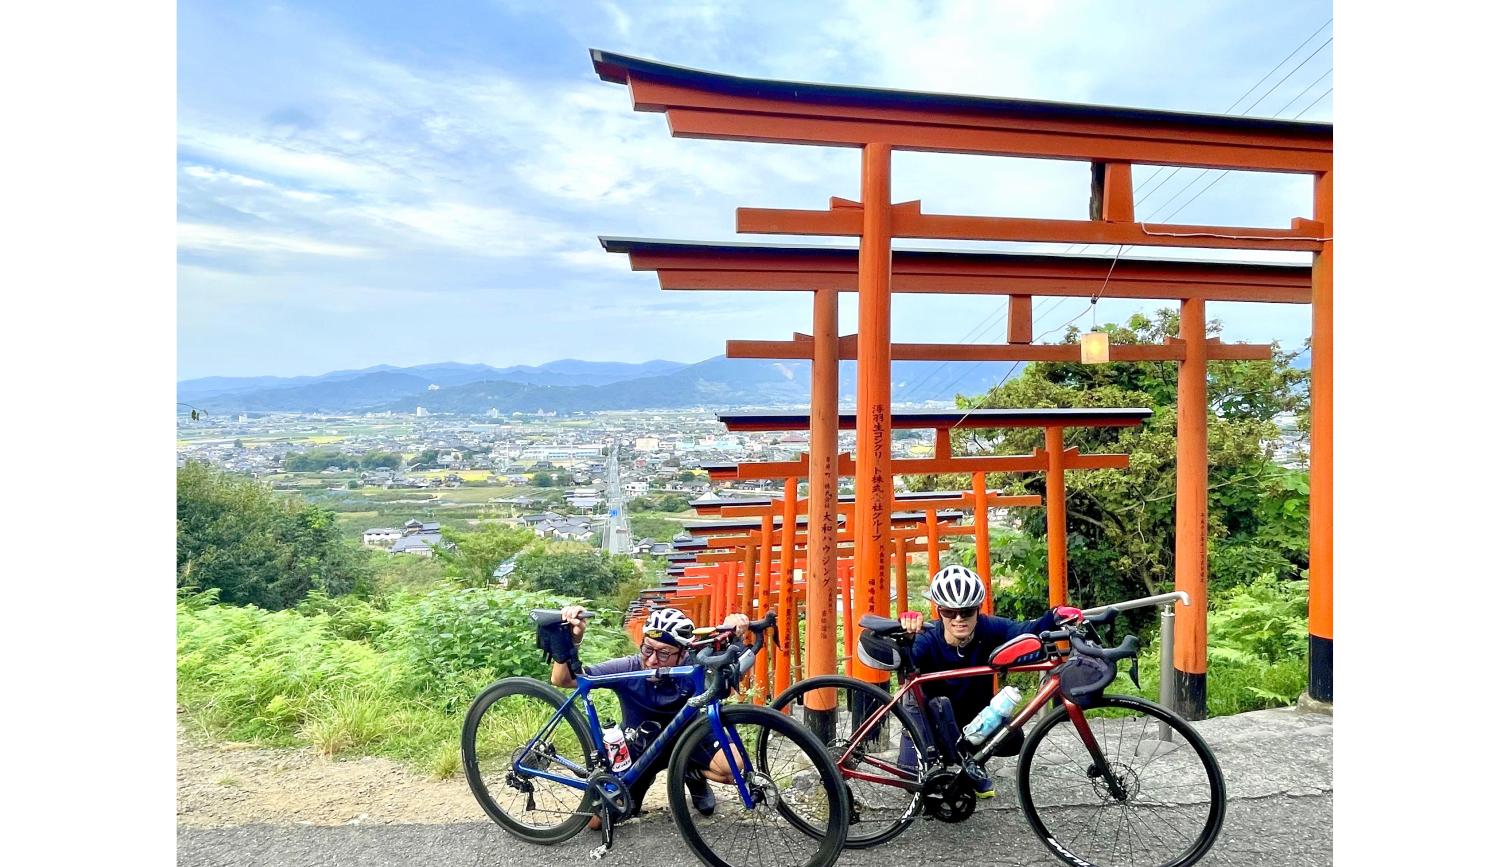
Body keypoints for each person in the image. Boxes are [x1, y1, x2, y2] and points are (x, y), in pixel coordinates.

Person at [543, 604, 750, 827]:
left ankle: (689, 774)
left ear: (682, 654)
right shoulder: (629, 667)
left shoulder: (694, 666)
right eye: (647, 649)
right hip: (639, 751)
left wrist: (734, 630)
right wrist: (571, 640)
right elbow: (562, 680)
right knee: (596, 822)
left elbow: (730, 667)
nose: (652, 660)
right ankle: (660, 775)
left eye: (663, 653)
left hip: (687, 741)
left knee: (733, 766)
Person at [895, 564, 1082, 798]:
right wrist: (906, 638)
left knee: (1012, 740)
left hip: (975, 716)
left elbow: (1027, 630)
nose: (959, 618)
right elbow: (904, 666)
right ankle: (953, 759)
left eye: (968, 611)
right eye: (949, 612)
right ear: (938, 610)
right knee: (912, 778)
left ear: (978, 609)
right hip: (931, 721)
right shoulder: (927, 638)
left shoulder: (989, 628)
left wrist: (1054, 617)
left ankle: (973, 760)